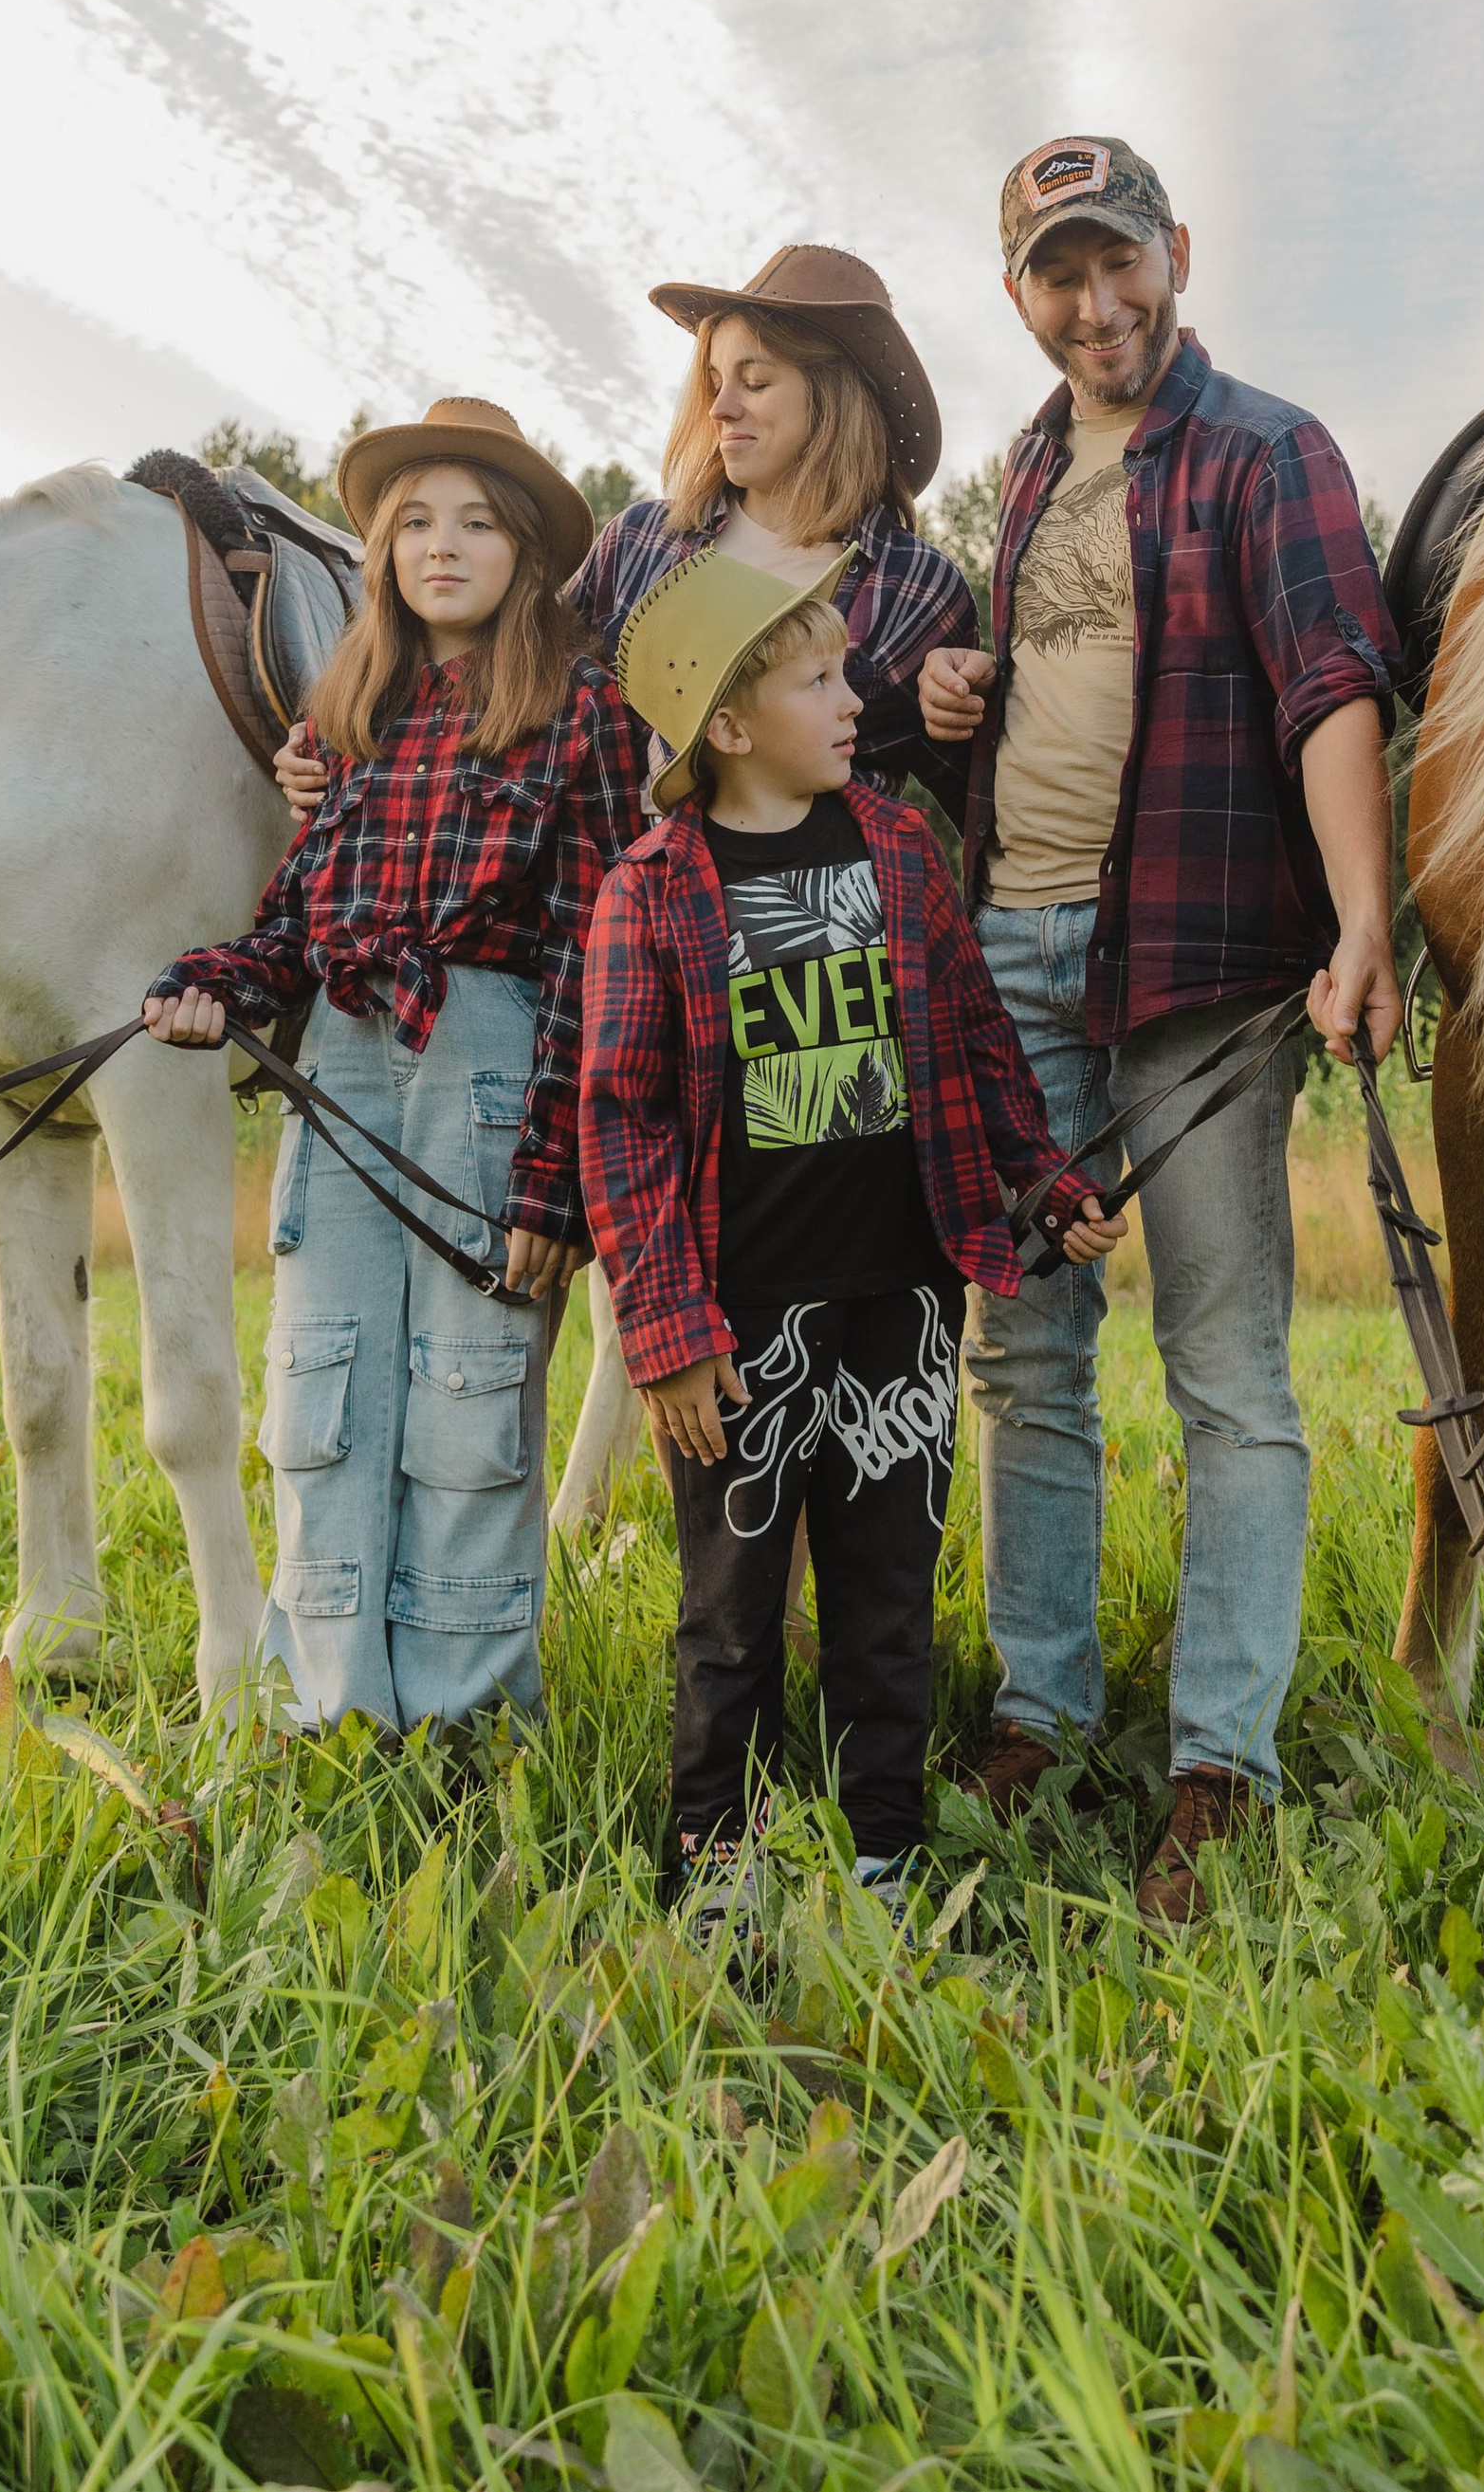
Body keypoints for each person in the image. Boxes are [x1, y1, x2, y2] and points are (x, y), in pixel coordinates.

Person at [919, 137, 1402, 1926]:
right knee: (1024, 1352)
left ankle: (1222, 1759)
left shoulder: (1271, 449)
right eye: (1058, 272)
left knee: (1228, 1367)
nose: (1095, 301)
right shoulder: (1031, 469)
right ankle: (1041, 1705)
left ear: (1178, 252)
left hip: (1197, 963)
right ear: (1020, 294)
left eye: (1119, 260)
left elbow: (1335, 680)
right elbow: (1038, 675)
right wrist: (956, 691)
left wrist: (1363, 917)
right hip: (1012, 953)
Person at [581, 552, 1122, 1933]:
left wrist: (1045, 1180)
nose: (854, 698)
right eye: (818, 680)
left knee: (887, 1598)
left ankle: (879, 1857)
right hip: (738, 1329)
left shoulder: (896, 847)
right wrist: (666, 1335)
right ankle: (717, 1873)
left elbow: (982, 1047)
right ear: (731, 725)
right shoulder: (648, 890)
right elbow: (624, 1130)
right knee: (733, 1615)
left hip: (902, 1298)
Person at [144, 400, 645, 1734]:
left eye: (478, 521)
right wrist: (216, 987)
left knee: (470, 1400)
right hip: (347, 1075)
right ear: (379, 550)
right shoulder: (353, 712)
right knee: (326, 1384)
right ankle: (333, 1708)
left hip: (491, 1065)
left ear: (529, 554)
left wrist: (556, 1181)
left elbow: (595, 956)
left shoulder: (578, 708)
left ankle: (466, 1720)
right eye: (415, 520)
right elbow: (299, 921)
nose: (444, 545)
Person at [272, 246, 974, 823]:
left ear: (836, 398)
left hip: (814, 957)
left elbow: (984, 795)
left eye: (754, 382)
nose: (721, 407)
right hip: (629, 938)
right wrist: (332, 743)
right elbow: (502, 673)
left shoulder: (916, 583)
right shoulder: (642, 541)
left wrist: (977, 688)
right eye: (714, 380)